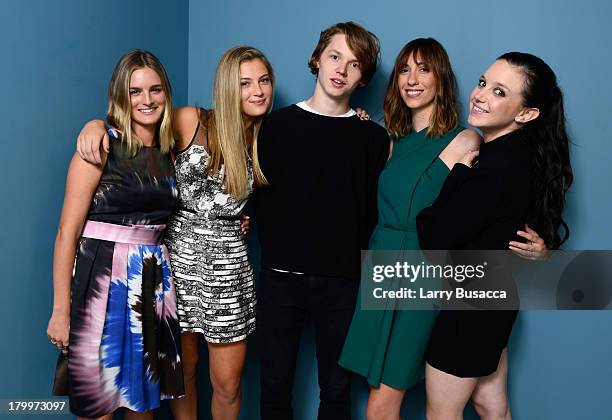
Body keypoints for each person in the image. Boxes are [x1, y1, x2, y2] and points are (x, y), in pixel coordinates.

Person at [339, 39, 549, 420]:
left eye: (424, 69)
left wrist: (541, 247)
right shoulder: (391, 142)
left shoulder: (468, 140)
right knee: (488, 402)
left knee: (386, 404)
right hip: (384, 266)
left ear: (443, 79)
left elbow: (494, 208)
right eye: (404, 69)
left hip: (424, 273)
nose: (412, 79)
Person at [75, 46, 275, 420]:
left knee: (228, 384)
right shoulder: (189, 120)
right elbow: (138, 134)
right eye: (245, 82)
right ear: (227, 87)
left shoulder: (268, 137)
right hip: (173, 266)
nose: (257, 91)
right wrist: (96, 125)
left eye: (264, 81)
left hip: (229, 268)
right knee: (180, 373)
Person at [416, 52, 572, 419]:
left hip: (470, 307)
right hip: (493, 299)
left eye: (500, 92)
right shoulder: (520, 153)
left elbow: (433, 237)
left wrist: (456, 171)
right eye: (484, 82)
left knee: (442, 414)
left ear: (526, 113)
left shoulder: (496, 166)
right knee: (491, 406)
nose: (480, 94)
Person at [254, 22, 389, 420]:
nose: (341, 70)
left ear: (363, 77)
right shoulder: (276, 126)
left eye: (353, 64)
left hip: (343, 284)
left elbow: (372, 210)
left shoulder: (373, 139)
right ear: (317, 59)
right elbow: (258, 195)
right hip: (280, 278)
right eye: (334, 57)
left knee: (336, 391)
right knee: (274, 387)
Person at [46, 49, 184, 419]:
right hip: (100, 281)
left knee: (143, 403)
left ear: (166, 93)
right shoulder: (100, 146)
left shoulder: (171, 151)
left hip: (151, 281)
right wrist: (61, 311)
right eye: (135, 91)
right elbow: (66, 233)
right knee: (98, 405)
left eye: (155, 90)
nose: (147, 100)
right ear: (121, 97)